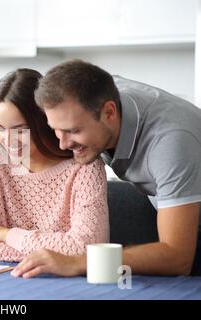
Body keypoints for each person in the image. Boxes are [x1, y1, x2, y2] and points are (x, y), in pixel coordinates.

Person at [12, 59, 201, 278]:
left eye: (73, 131)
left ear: (109, 113)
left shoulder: (170, 143)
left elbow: (177, 259)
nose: (62, 144)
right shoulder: (97, 98)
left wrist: (77, 263)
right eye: (56, 130)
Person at [0, 68, 109, 262]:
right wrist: (55, 250)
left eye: (20, 130)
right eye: (0, 129)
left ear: (45, 122)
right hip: (4, 283)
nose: (9, 140)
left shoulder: (85, 167)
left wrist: (3, 234)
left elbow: (86, 248)